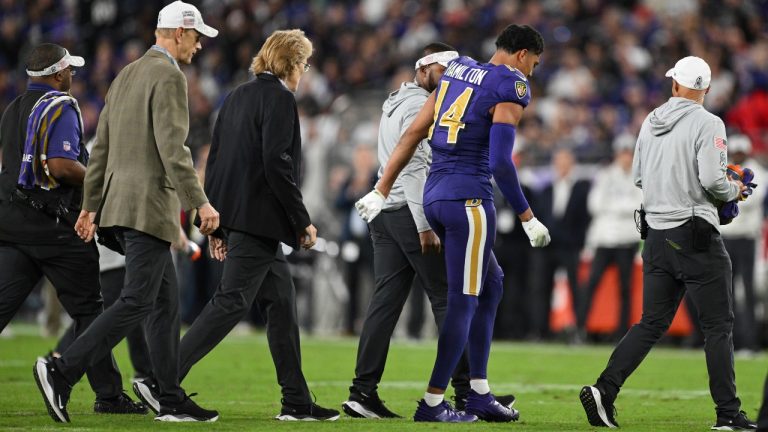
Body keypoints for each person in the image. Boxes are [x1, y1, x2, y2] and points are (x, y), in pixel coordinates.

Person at [32, 1, 221, 423]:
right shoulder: (169, 76)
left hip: (119, 205)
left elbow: (100, 151)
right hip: (147, 206)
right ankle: (62, 370)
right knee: (136, 300)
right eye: (196, 36)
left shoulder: (126, 74)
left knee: (165, 302)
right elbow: (174, 150)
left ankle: (168, 395)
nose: (199, 45)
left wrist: (91, 206)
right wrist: (200, 202)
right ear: (177, 33)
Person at [356, 24, 551, 423]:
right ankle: (433, 402)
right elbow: (499, 162)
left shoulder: (458, 70)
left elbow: (413, 134)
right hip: (469, 199)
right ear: (520, 54)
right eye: (534, 60)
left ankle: (477, 389)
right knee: (462, 302)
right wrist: (527, 216)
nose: (533, 69)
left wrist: (381, 188)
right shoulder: (511, 85)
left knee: (492, 282)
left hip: (435, 195)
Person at [141, 29, 337, 421]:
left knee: (281, 304)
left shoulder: (235, 97)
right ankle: (162, 378)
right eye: (304, 63)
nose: (306, 71)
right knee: (231, 302)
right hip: (260, 222)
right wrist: (302, 222)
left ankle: (296, 401)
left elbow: (216, 164)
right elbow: (277, 166)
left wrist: (214, 224)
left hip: (238, 217)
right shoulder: (280, 98)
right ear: (292, 63)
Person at [579, 56, 757, 430]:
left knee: (650, 322)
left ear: (675, 84)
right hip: (694, 234)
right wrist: (734, 190)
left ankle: (604, 390)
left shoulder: (650, 120)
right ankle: (728, 414)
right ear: (705, 89)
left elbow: (640, 178)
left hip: (655, 236)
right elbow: (712, 179)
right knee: (717, 327)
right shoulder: (709, 122)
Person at [0, 43, 145, 416]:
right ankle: (108, 395)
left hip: (14, 225)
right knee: (90, 312)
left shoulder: (13, 108)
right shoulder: (60, 106)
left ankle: (110, 393)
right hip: (57, 229)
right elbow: (63, 164)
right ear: (57, 73)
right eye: (70, 70)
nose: (74, 76)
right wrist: (100, 181)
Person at [577, 134, 642, 339]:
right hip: (604, 239)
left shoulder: (640, 176)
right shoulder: (605, 175)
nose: (625, 157)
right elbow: (594, 205)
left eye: (628, 153)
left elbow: (642, 206)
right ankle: (580, 329)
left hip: (626, 240)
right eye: (622, 153)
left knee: (625, 289)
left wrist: (612, 207)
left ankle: (622, 332)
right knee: (591, 284)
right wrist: (624, 207)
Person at [529, 147, 590, 341]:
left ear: (572, 164)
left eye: (566, 161)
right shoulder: (546, 189)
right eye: (559, 161)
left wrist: (579, 243)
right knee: (541, 288)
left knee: (575, 288)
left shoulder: (582, 188)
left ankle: (578, 330)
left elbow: (584, 219)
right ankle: (541, 331)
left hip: (570, 246)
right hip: (547, 246)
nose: (562, 165)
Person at [718, 134, 765, 354]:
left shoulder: (760, 173)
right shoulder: (725, 171)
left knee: (747, 290)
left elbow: (750, 199)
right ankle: (733, 340)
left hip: (746, 237)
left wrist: (729, 194)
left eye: (740, 150)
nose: (737, 154)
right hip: (728, 236)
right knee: (727, 290)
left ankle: (750, 341)